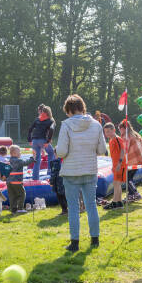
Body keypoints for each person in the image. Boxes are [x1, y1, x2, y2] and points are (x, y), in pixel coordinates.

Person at [56, 94, 107, 252]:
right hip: (90, 170)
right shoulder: (96, 125)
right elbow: (102, 150)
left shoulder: (66, 125)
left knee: (73, 208)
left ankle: (75, 243)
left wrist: (58, 151)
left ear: (69, 110)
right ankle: (95, 239)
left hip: (71, 172)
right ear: (82, 107)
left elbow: (62, 151)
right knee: (91, 205)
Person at [119, 119, 142, 202]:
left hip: (131, 161)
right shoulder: (136, 135)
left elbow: (124, 149)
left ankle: (135, 193)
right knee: (129, 177)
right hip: (139, 160)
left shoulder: (125, 136)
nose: (119, 131)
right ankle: (130, 195)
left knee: (126, 178)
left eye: (120, 129)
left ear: (124, 128)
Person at [27, 104, 56, 181]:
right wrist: (48, 141)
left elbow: (30, 129)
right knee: (51, 153)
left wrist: (29, 140)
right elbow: (52, 130)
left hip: (34, 140)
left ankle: (35, 178)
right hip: (43, 140)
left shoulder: (37, 119)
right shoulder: (51, 121)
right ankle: (50, 173)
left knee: (37, 159)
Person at [103, 122, 127, 209]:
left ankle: (115, 202)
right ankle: (119, 202)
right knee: (116, 184)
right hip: (115, 165)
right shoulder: (111, 140)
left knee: (117, 184)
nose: (107, 133)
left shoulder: (117, 139)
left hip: (120, 165)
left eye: (109, 131)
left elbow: (122, 151)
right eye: (105, 132)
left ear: (114, 130)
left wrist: (119, 163)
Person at [6, 145, 33, 213]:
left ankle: (13, 209)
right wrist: (32, 158)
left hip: (9, 181)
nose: (20, 153)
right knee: (22, 194)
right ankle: (20, 208)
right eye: (19, 152)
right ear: (14, 153)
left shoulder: (9, 161)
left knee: (12, 196)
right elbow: (26, 163)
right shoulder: (18, 161)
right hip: (17, 181)